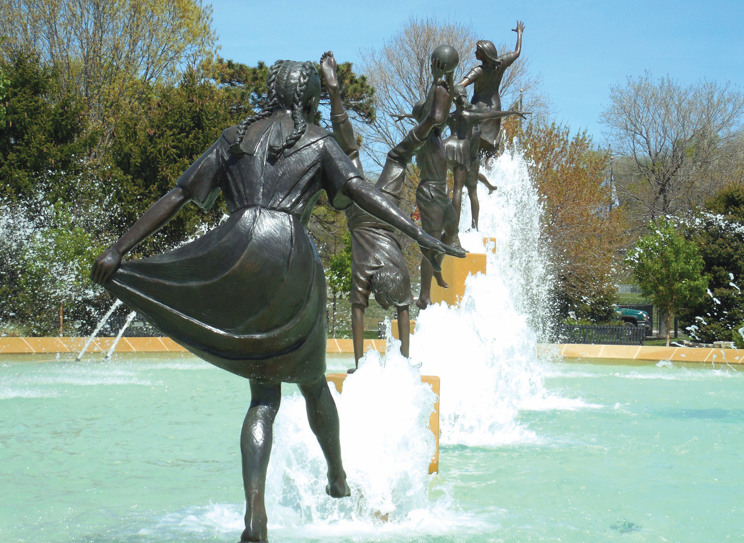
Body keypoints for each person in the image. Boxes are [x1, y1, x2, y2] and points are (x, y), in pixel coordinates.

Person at [89, 60, 464, 543]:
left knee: (263, 394)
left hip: (235, 250)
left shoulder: (234, 138)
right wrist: (418, 234)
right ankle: (336, 476)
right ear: (309, 98)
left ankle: (255, 515)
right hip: (288, 254)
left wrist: (120, 248)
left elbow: (180, 193)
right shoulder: (318, 139)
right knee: (311, 381)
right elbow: (360, 194)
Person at [320, 51, 452, 370]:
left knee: (398, 156)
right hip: (364, 210)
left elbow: (402, 311)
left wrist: (363, 365)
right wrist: (363, 362)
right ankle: (335, 90)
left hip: (383, 206)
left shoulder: (399, 275)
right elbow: (361, 311)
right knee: (357, 151)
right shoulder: (367, 274)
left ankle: (429, 122)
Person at [445, 84, 527, 230]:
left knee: (458, 188)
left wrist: (412, 115)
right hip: (468, 156)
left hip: (456, 153)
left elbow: (430, 118)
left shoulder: (451, 116)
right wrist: (512, 112)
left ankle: (454, 228)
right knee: (472, 192)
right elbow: (491, 115)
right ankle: (474, 226)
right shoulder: (470, 116)